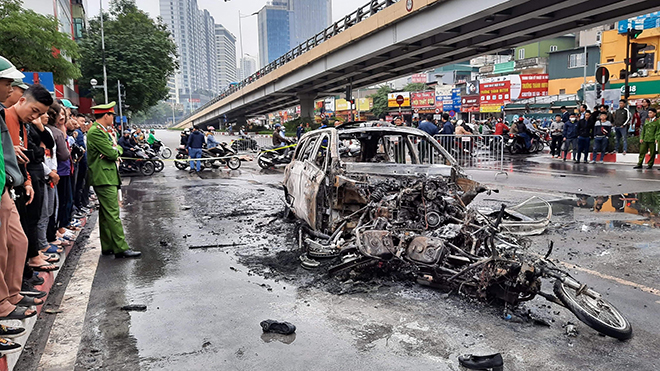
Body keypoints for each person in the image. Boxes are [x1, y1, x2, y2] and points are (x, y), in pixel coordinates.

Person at [4, 85, 56, 277]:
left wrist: (27, 182)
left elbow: (23, 159)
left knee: (20, 239)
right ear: (22, 99)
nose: (35, 117)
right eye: (34, 111)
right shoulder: (5, 118)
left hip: (19, 184)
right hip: (7, 187)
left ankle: (18, 288)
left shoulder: (23, 125)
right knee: (13, 242)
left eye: (39, 114)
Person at [87, 102, 140, 258]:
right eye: (112, 115)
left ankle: (108, 245)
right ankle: (121, 247)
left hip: (107, 176)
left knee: (105, 214)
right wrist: (113, 150)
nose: (113, 118)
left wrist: (114, 149)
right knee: (113, 213)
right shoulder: (96, 132)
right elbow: (112, 154)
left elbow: (117, 149)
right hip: (103, 177)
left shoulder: (104, 131)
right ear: (106, 115)